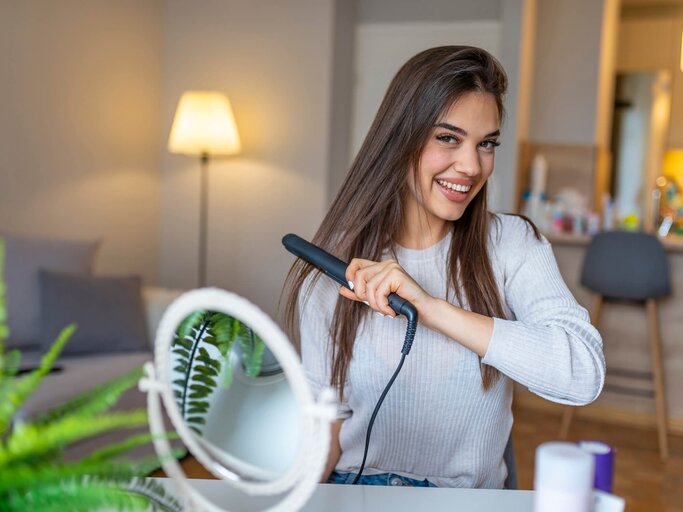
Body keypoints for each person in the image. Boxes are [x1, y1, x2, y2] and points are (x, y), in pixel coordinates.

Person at [282, 46, 605, 489]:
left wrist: (431, 309)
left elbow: (582, 374)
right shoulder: (337, 269)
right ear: (401, 138)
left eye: (486, 144)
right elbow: (326, 427)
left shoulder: (512, 245)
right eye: (448, 138)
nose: (472, 166)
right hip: (354, 493)